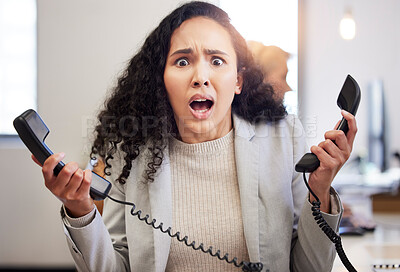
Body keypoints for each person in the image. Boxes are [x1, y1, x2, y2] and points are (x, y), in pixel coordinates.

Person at [32, 1, 358, 271]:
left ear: (238, 81)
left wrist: (320, 192)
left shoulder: (283, 139)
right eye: (183, 61)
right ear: (161, 79)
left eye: (217, 61)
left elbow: (311, 268)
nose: (201, 76)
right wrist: (80, 210)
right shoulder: (129, 151)